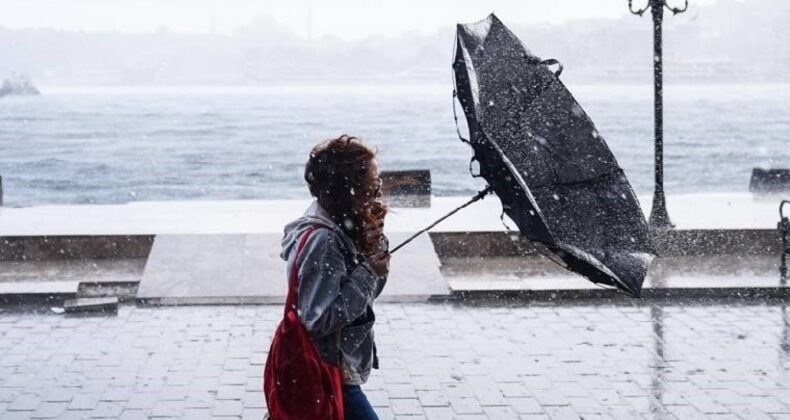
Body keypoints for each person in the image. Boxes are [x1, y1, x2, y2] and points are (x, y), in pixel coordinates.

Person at [279, 134, 390, 419]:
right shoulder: (324, 240)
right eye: (371, 186)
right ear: (348, 190)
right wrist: (367, 272)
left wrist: (373, 244)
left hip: (332, 368)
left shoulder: (338, 224)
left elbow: (366, 296)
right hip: (326, 369)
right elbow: (318, 319)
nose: (378, 193)